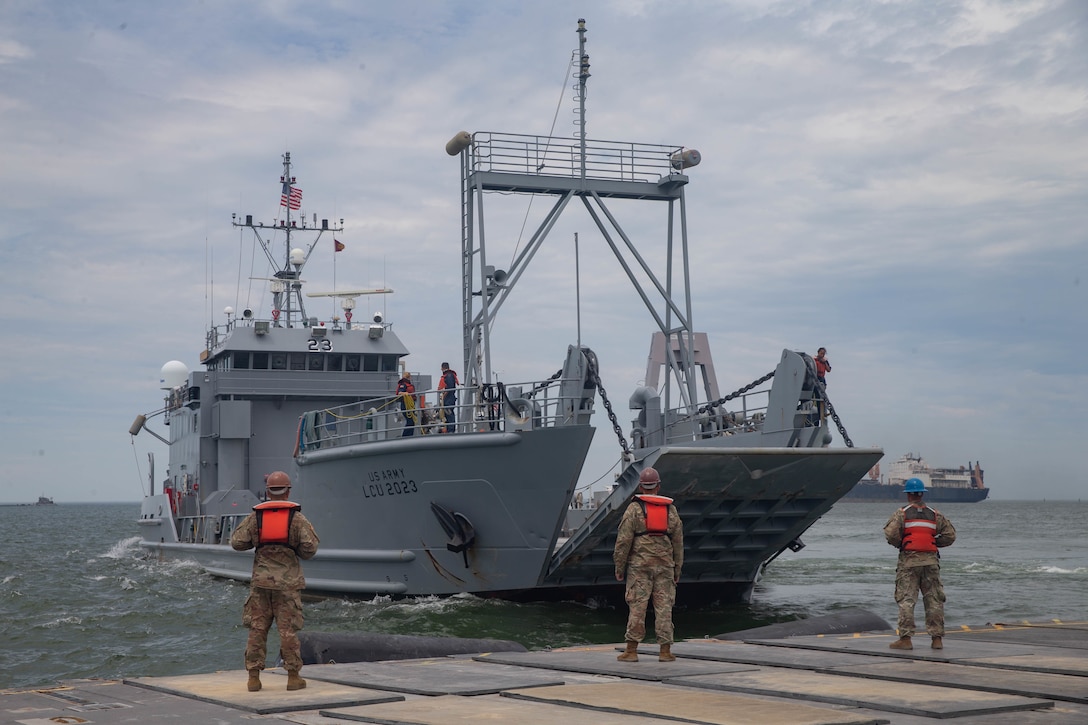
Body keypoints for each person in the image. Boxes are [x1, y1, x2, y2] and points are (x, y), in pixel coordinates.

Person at [230, 471, 320, 692]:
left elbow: (237, 542)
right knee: (288, 631)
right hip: (287, 586)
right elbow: (310, 548)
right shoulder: (297, 519)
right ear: (288, 490)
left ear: (267, 491)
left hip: (260, 584)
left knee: (257, 630)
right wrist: (292, 549)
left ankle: (253, 678)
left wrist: (259, 544)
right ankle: (292, 677)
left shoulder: (255, 518)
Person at [613, 467, 684, 663]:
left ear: (641, 487)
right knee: (664, 607)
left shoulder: (634, 509)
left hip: (640, 566)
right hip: (665, 566)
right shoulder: (671, 510)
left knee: (637, 606)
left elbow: (623, 542)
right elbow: (678, 543)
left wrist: (619, 568)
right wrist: (677, 569)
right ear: (658, 486)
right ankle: (665, 651)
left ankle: (631, 651)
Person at [883, 477, 956, 651]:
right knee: (934, 599)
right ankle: (937, 639)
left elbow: (891, 534)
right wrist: (934, 543)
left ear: (908, 495)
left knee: (907, 599)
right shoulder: (934, 514)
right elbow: (950, 535)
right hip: (931, 562)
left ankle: (906, 639)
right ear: (922, 494)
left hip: (909, 561)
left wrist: (902, 543)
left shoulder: (902, 513)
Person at [437, 362, 459, 433]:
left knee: (449, 413)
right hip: (447, 399)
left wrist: (443, 396)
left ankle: (451, 430)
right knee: (447, 414)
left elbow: (450, 387)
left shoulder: (449, 375)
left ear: (443, 368)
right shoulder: (448, 375)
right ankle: (448, 429)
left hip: (449, 398)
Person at [396, 371, 417, 436]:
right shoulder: (403, 384)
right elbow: (400, 393)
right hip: (405, 405)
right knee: (410, 421)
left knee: (412, 421)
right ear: (409, 377)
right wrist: (406, 394)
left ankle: (410, 436)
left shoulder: (408, 384)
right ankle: (405, 436)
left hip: (411, 406)